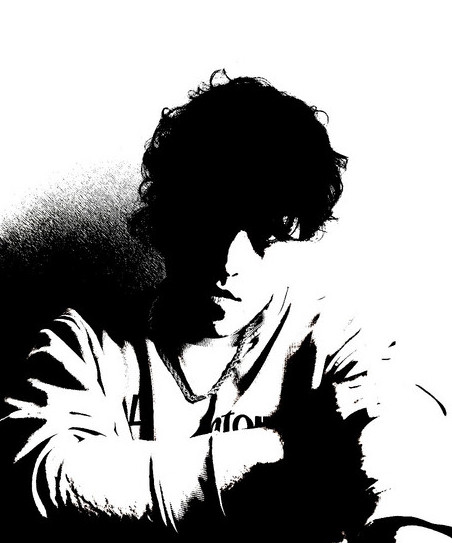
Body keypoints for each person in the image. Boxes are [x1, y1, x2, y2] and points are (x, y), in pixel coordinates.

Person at [1, 70, 452, 542]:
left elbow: (408, 449)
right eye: (210, 227)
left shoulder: (339, 339)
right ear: (169, 222)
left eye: (264, 237)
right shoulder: (84, 345)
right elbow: (43, 480)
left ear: (297, 234)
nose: (228, 265)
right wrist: (295, 446)